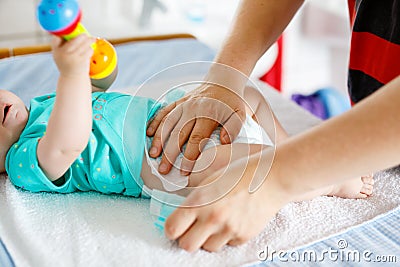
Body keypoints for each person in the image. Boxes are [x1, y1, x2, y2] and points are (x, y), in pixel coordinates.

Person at [146, 0, 399, 252]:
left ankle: (329, 182)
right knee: (242, 106)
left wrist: (277, 178)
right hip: (376, 125)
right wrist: (226, 77)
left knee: (208, 164)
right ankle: (289, 153)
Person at [1, 35, 296, 200]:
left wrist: (97, 67)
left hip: (178, 120)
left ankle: (294, 145)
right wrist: (71, 73)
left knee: (245, 93)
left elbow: (94, 91)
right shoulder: (21, 161)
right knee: (255, 163)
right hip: (164, 165)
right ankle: (317, 173)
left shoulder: (41, 105)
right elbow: (67, 145)